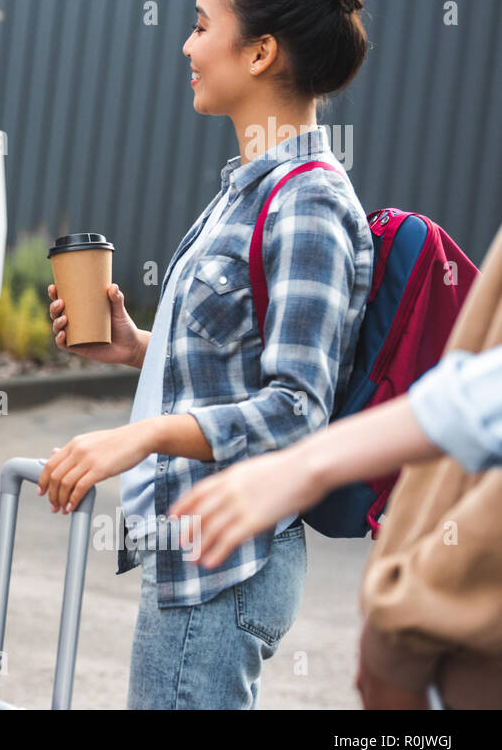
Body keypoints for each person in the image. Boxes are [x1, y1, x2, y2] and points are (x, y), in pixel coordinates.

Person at [43, 0, 394, 708]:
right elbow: (238, 366)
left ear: (261, 52)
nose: (187, 46)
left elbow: (297, 410)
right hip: (195, 553)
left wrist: (142, 433)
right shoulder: (249, 186)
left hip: (227, 566)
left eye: (203, 25)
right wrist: (140, 348)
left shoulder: (308, 202)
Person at [170, 222, 502, 710]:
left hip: (237, 563)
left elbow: (297, 399)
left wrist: (299, 468)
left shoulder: (311, 201)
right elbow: (468, 397)